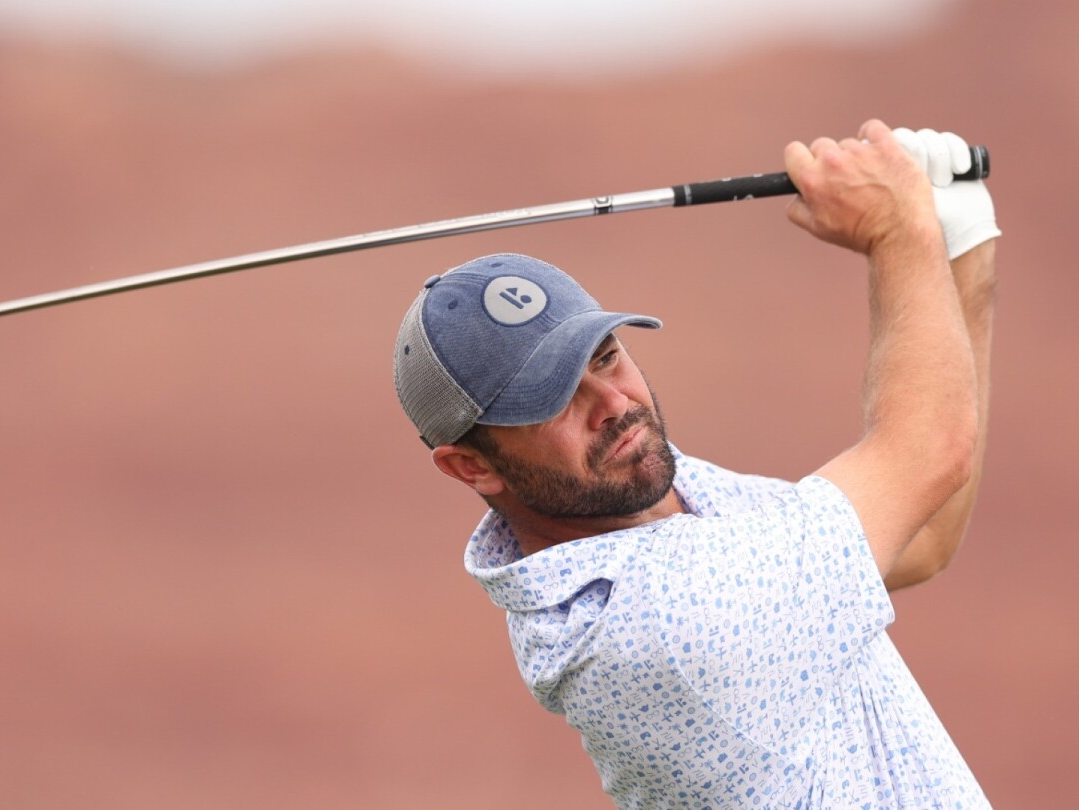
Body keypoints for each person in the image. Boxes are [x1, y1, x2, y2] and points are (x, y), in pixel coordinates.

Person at [392, 120, 999, 808]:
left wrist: (957, 242)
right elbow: (928, 453)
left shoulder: (644, 502)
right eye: (554, 399)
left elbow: (920, 536)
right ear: (471, 467)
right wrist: (898, 233)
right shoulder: (668, 623)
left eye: (606, 358)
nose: (613, 404)